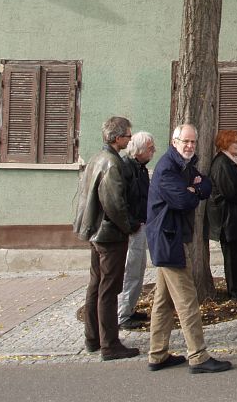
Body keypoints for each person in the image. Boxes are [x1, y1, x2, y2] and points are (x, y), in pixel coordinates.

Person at [146, 124, 232, 373]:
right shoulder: (167, 169)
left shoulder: (183, 166)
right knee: (187, 300)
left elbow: (206, 185)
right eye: (185, 141)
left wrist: (193, 187)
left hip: (173, 237)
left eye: (193, 142)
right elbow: (184, 200)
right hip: (168, 240)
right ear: (174, 142)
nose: (189, 146)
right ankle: (198, 356)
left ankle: (157, 354)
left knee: (163, 302)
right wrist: (192, 189)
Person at [73, 116, 139, 360]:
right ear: (117, 137)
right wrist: (128, 226)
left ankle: (93, 338)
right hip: (109, 234)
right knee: (108, 289)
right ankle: (109, 344)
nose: (130, 139)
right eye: (128, 136)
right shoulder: (111, 162)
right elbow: (114, 203)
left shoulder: (96, 159)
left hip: (95, 231)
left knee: (96, 285)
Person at [208, 129, 237, 301]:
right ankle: (235, 291)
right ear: (225, 144)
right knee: (232, 257)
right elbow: (229, 191)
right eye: (235, 142)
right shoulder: (221, 163)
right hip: (228, 218)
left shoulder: (231, 160)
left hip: (236, 216)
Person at [118, 132, 155, 331]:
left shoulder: (140, 168)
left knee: (138, 270)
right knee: (130, 271)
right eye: (150, 148)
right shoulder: (126, 169)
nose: (153, 151)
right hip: (133, 228)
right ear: (139, 150)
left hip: (141, 224)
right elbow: (120, 200)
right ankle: (123, 314)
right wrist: (131, 224)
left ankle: (130, 308)